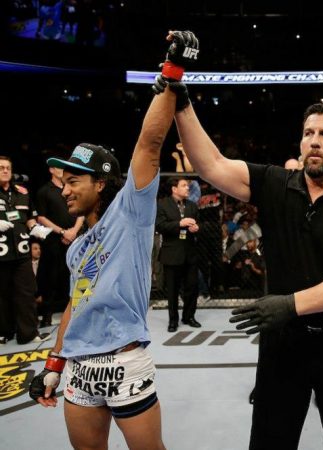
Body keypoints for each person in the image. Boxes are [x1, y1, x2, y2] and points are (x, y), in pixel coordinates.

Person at [158, 79, 323, 448]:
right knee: (271, 440)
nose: (314, 141)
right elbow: (211, 165)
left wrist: (291, 304)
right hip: (284, 342)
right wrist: (181, 103)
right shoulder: (275, 182)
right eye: (308, 133)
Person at [28, 30, 199, 450]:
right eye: (62, 182)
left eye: (74, 181)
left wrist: (172, 72)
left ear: (101, 183)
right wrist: (54, 362)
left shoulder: (130, 212)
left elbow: (149, 144)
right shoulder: (76, 247)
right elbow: (76, 304)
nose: (64, 190)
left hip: (125, 361)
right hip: (80, 367)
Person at [0, 155, 52, 345]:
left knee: (26, 293)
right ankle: (3, 332)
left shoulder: (22, 192)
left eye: (8, 167)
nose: (5, 171)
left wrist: (35, 228)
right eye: (1, 168)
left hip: (22, 252)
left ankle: (28, 334)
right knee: (2, 295)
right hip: (1, 255)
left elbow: (30, 216)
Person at [35, 164, 85, 326]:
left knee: (75, 276)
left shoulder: (73, 189)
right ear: (51, 170)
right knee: (51, 277)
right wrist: (63, 232)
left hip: (76, 239)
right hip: (54, 241)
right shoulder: (44, 191)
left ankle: (74, 313)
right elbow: (41, 217)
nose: (62, 170)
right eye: (58, 167)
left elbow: (82, 211)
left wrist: (73, 231)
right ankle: (47, 315)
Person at [156, 177, 202, 332]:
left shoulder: (192, 205)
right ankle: (173, 320)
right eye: (184, 186)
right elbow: (160, 226)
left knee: (192, 287)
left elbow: (199, 224)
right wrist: (179, 224)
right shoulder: (163, 204)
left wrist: (196, 228)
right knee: (173, 290)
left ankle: (189, 316)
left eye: (187, 186)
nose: (188, 188)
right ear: (174, 189)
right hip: (172, 253)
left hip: (190, 253)